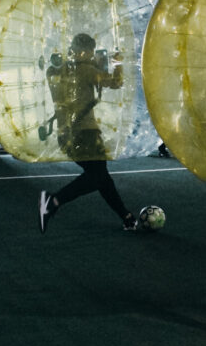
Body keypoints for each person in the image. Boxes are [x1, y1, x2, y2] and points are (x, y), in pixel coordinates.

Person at [38, 32, 137, 234]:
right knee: (98, 176)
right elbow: (116, 83)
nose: (93, 56)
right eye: (91, 52)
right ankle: (53, 201)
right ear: (86, 51)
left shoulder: (55, 70)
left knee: (100, 176)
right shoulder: (86, 71)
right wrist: (117, 64)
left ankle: (126, 217)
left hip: (65, 135)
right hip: (85, 133)